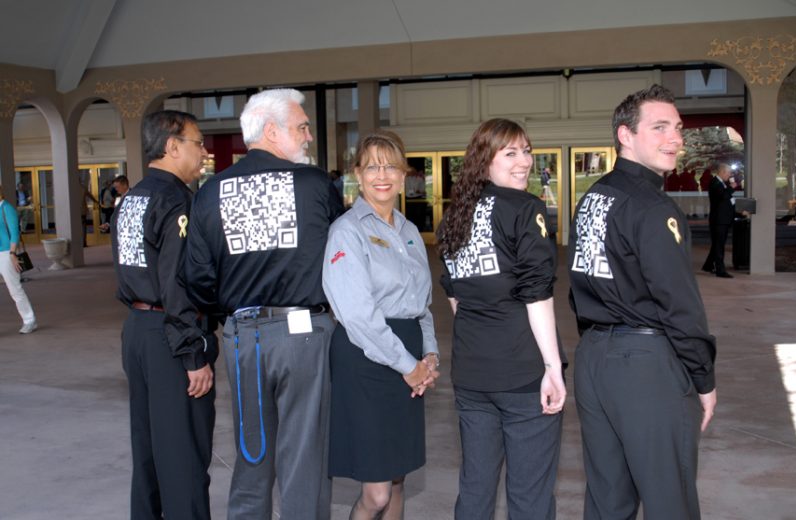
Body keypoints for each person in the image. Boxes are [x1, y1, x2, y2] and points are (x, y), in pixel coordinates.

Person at [184, 88, 343, 519]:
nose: (308, 135)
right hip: (306, 337)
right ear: (272, 131)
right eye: (302, 127)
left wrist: (235, 314)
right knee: (304, 460)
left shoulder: (211, 191)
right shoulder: (314, 185)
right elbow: (341, 260)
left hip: (244, 340)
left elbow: (196, 278)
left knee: (252, 453)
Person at [568, 84, 717, 520]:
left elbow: (580, 284)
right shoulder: (653, 208)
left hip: (595, 360)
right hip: (645, 367)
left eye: (677, 128)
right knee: (671, 500)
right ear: (625, 135)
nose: (675, 139)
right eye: (659, 128)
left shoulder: (593, 197)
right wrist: (702, 378)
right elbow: (680, 306)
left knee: (607, 500)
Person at [437, 118, 567, 520]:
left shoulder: (454, 217)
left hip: (472, 375)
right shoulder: (524, 208)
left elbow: (456, 297)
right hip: (521, 374)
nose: (524, 161)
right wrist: (552, 367)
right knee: (529, 495)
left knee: (475, 490)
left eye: (527, 151)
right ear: (483, 161)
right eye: (510, 153)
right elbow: (537, 296)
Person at [323, 131, 440, 520]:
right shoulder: (347, 230)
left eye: (391, 165)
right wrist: (409, 366)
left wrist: (429, 355)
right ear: (357, 173)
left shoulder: (408, 232)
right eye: (372, 166)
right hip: (366, 361)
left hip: (408, 356)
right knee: (375, 493)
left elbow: (422, 304)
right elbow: (357, 315)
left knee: (398, 478)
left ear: (404, 174)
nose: (382, 175)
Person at [111, 110, 217, 519]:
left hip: (138, 330)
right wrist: (194, 354)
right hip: (170, 335)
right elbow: (178, 284)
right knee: (184, 457)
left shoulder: (132, 197)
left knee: (150, 449)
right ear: (172, 146)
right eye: (198, 143)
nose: (204, 152)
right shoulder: (176, 201)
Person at [0, 188, 37, 333]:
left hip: (5, 253)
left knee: (15, 289)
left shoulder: (6, 208)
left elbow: (14, 232)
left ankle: (29, 320)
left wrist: (12, 253)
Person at [702, 160, 737, 278]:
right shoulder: (715, 183)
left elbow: (727, 199)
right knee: (719, 245)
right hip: (718, 220)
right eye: (728, 173)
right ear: (722, 172)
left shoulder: (722, 183)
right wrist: (731, 188)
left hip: (723, 219)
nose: (730, 175)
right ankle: (720, 270)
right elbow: (722, 196)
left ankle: (708, 265)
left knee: (717, 244)